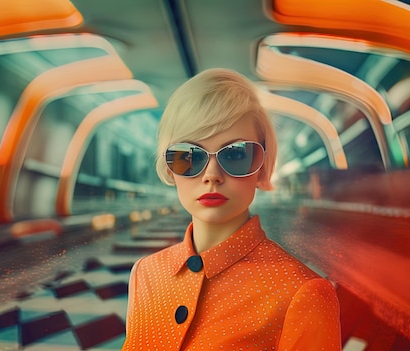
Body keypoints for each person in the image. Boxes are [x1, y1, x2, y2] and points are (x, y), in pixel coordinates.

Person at [122, 68, 341, 350]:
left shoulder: (302, 294)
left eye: (236, 154)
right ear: (169, 168)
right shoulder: (145, 273)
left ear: (262, 170)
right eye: (188, 156)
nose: (211, 175)